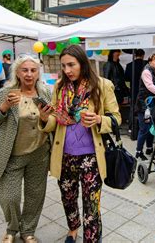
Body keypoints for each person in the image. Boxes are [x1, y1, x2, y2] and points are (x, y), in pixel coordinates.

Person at [39, 45, 121, 243]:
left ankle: (92, 238)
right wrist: (43, 119)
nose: (67, 70)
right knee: (68, 198)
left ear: (82, 63)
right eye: (64, 65)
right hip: (65, 155)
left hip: (91, 157)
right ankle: (73, 229)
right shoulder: (59, 87)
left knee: (91, 203)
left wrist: (99, 119)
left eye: (71, 65)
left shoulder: (102, 85)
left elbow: (116, 118)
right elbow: (55, 122)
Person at [0, 54, 52, 243]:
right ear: (17, 72)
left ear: (38, 73)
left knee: (35, 196)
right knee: (9, 197)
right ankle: (12, 228)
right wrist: (5, 106)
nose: (29, 74)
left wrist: (46, 118)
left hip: (39, 154)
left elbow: (53, 122)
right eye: (25, 70)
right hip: (12, 155)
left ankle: (28, 231)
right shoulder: (6, 93)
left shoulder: (45, 93)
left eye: (33, 70)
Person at [135, 53, 155, 160]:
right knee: (144, 129)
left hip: (153, 104)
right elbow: (149, 86)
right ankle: (138, 151)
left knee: (152, 127)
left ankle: (149, 148)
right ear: (150, 62)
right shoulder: (146, 71)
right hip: (144, 104)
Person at [124, 49, 146, 140]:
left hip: (133, 89)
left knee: (132, 108)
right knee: (143, 109)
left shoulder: (129, 65)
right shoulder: (146, 64)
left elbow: (126, 78)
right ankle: (142, 127)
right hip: (144, 90)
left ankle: (131, 127)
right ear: (143, 55)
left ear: (135, 55)